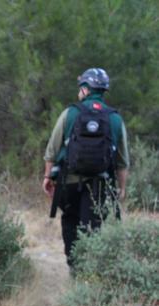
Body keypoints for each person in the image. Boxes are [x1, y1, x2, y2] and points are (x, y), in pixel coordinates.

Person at [43, 67, 130, 270]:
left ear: (85, 89)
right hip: (99, 184)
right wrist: (122, 187)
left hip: (69, 182)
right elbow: (122, 161)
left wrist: (48, 177)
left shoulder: (70, 113)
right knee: (92, 228)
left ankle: (74, 268)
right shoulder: (115, 118)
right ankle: (88, 275)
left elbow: (52, 150)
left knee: (70, 223)